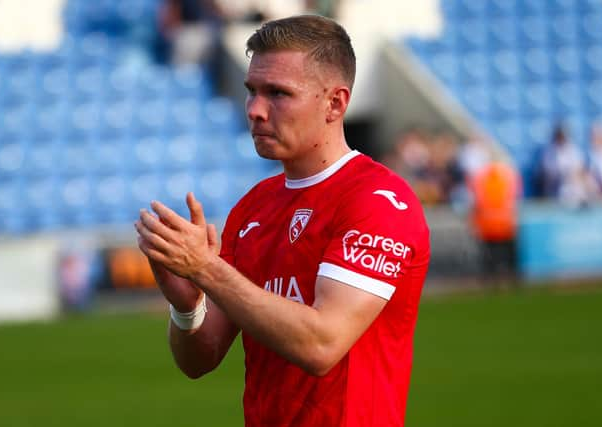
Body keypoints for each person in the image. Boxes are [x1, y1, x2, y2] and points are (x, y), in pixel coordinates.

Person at [135, 15, 430, 427]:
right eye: (251, 91)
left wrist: (206, 268)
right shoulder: (253, 208)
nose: (255, 110)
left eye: (278, 93)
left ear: (335, 103)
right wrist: (187, 307)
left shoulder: (379, 202)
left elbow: (321, 345)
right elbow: (199, 360)